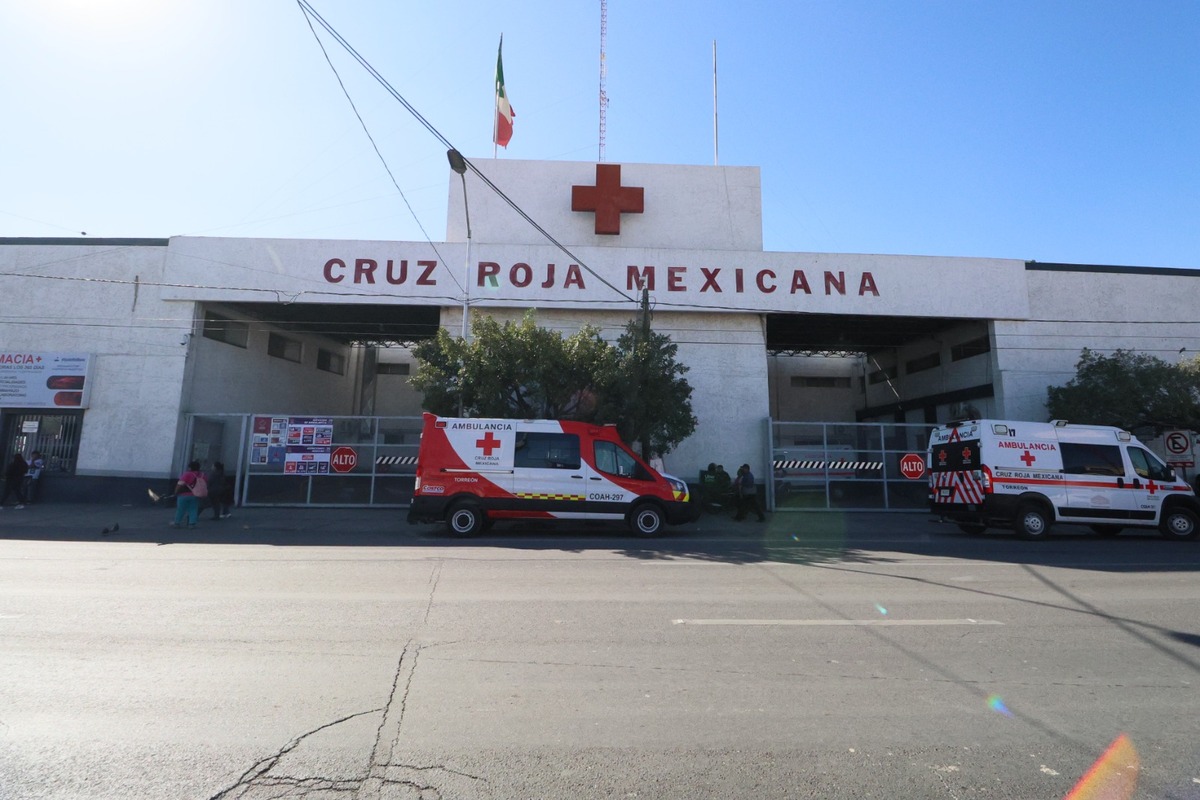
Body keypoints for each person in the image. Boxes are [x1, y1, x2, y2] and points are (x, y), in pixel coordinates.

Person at [171, 460, 204, 529]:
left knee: (181, 509)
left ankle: (177, 523)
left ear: (190, 467)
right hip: (195, 495)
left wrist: (176, 492)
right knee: (193, 509)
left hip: (184, 495)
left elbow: (180, 484)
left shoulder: (187, 474)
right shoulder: (202, 475)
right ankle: (191, 524)